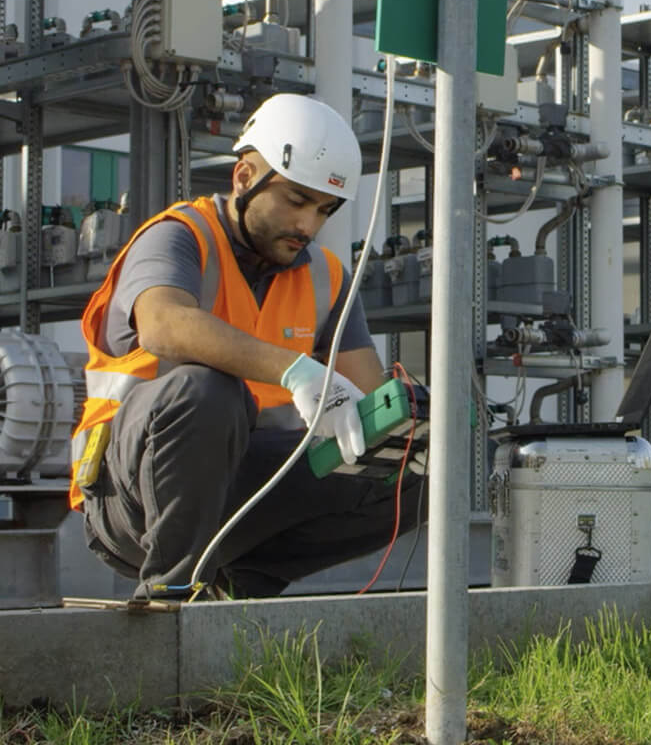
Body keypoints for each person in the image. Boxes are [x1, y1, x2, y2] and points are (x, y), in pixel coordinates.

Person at [70, 93, 423, 601]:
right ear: (243, 178)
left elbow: (369, 403)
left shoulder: (325, 278)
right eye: (296, 200)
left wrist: (411, 423)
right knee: (207, 390)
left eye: (324, 209)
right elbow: (163, 324)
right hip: (129, 498)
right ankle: (171, 591)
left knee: (411, 470)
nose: (309, 225)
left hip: (242, 492)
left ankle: (242, 586)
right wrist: (296, 370)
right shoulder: (179, 238)